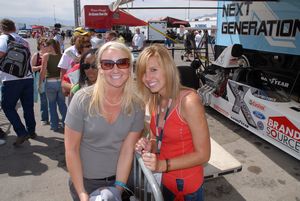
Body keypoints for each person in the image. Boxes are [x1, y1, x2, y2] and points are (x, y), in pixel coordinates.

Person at [64, 41, 145, 201]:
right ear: (100, 69)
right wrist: (82, 194)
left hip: (121, 182)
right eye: (108, 64)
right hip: (84, 183)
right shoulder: (82, 99)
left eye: (122, 63)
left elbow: (127, 150)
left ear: (129, 68)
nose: (115, 69)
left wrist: (117, 190)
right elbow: (71, 150)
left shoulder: (137, 105)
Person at [135, 44, 211, 201]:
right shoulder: (154, 100)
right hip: (165, 182)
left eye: (153, 70)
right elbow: (157, 139)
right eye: (143, 72)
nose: (148, 78)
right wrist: (150, 145)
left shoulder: (189, 101)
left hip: (187, 188)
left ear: (168, 69)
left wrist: (162, 165)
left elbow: (204, 155)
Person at [0, 18, 36, 146]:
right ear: (14, 27)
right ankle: (31, 131)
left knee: (7, 106)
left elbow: (1, 52)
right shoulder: (24, 40)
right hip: (27, 77)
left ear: (2, 28)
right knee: (28, 106)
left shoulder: (3, 38)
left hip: (11, 79)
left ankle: (21, 132)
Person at [40, 39, 67, 132]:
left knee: (51, 105)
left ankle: (54, 125)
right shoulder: (62, 55)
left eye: (45, 45)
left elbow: (42, 71)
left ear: (50, 46)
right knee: (62, 104)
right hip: (60, 81)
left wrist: (39, 83)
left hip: (50, 82)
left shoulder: (46, 56)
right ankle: (66, 124)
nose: (44, 47)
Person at [31, 37, 49, 125]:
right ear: (40, 45)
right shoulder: (36, 55)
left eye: (47, 44)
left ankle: (54, 118)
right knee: (44, 99)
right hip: (41, 79)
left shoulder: (51, 54)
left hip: (51, 79)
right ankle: (44, 118)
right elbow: (31, 68)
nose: (45, 46)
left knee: (53, 100)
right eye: (44, 44)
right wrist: (40, 67)